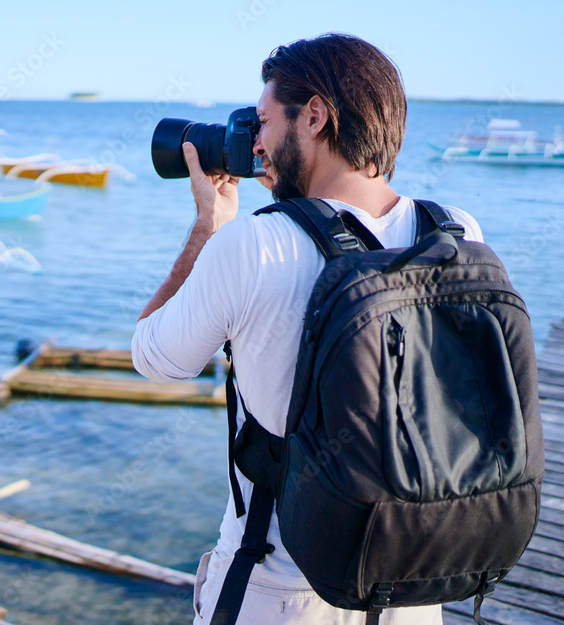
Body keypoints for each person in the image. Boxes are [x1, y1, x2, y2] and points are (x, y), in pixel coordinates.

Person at [131, 33, 482, 624]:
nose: (258, 145)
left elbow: (152, 356)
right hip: (414, 579)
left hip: (279, 589)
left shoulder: (253, 244)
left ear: (314, 115)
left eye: (263, 123)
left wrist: (209, 225)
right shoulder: (454, 232)